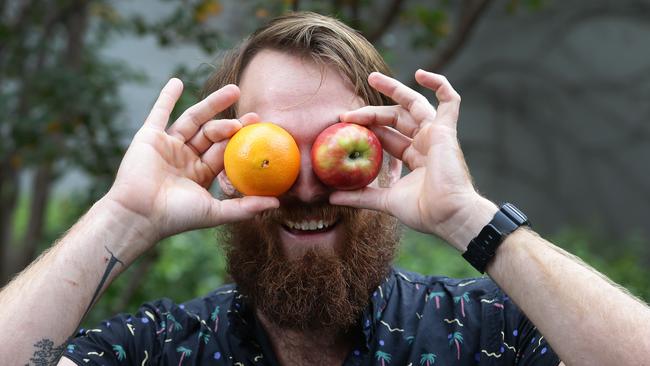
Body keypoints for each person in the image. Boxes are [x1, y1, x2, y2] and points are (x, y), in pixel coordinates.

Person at [1, 11, 648, 366]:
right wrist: (123, 217)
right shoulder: (161, 351)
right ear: (226, 165)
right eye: (274, 151)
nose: (307, 184)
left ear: (390, 162)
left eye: (337, 149)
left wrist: (466, 217)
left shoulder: (485, 336)